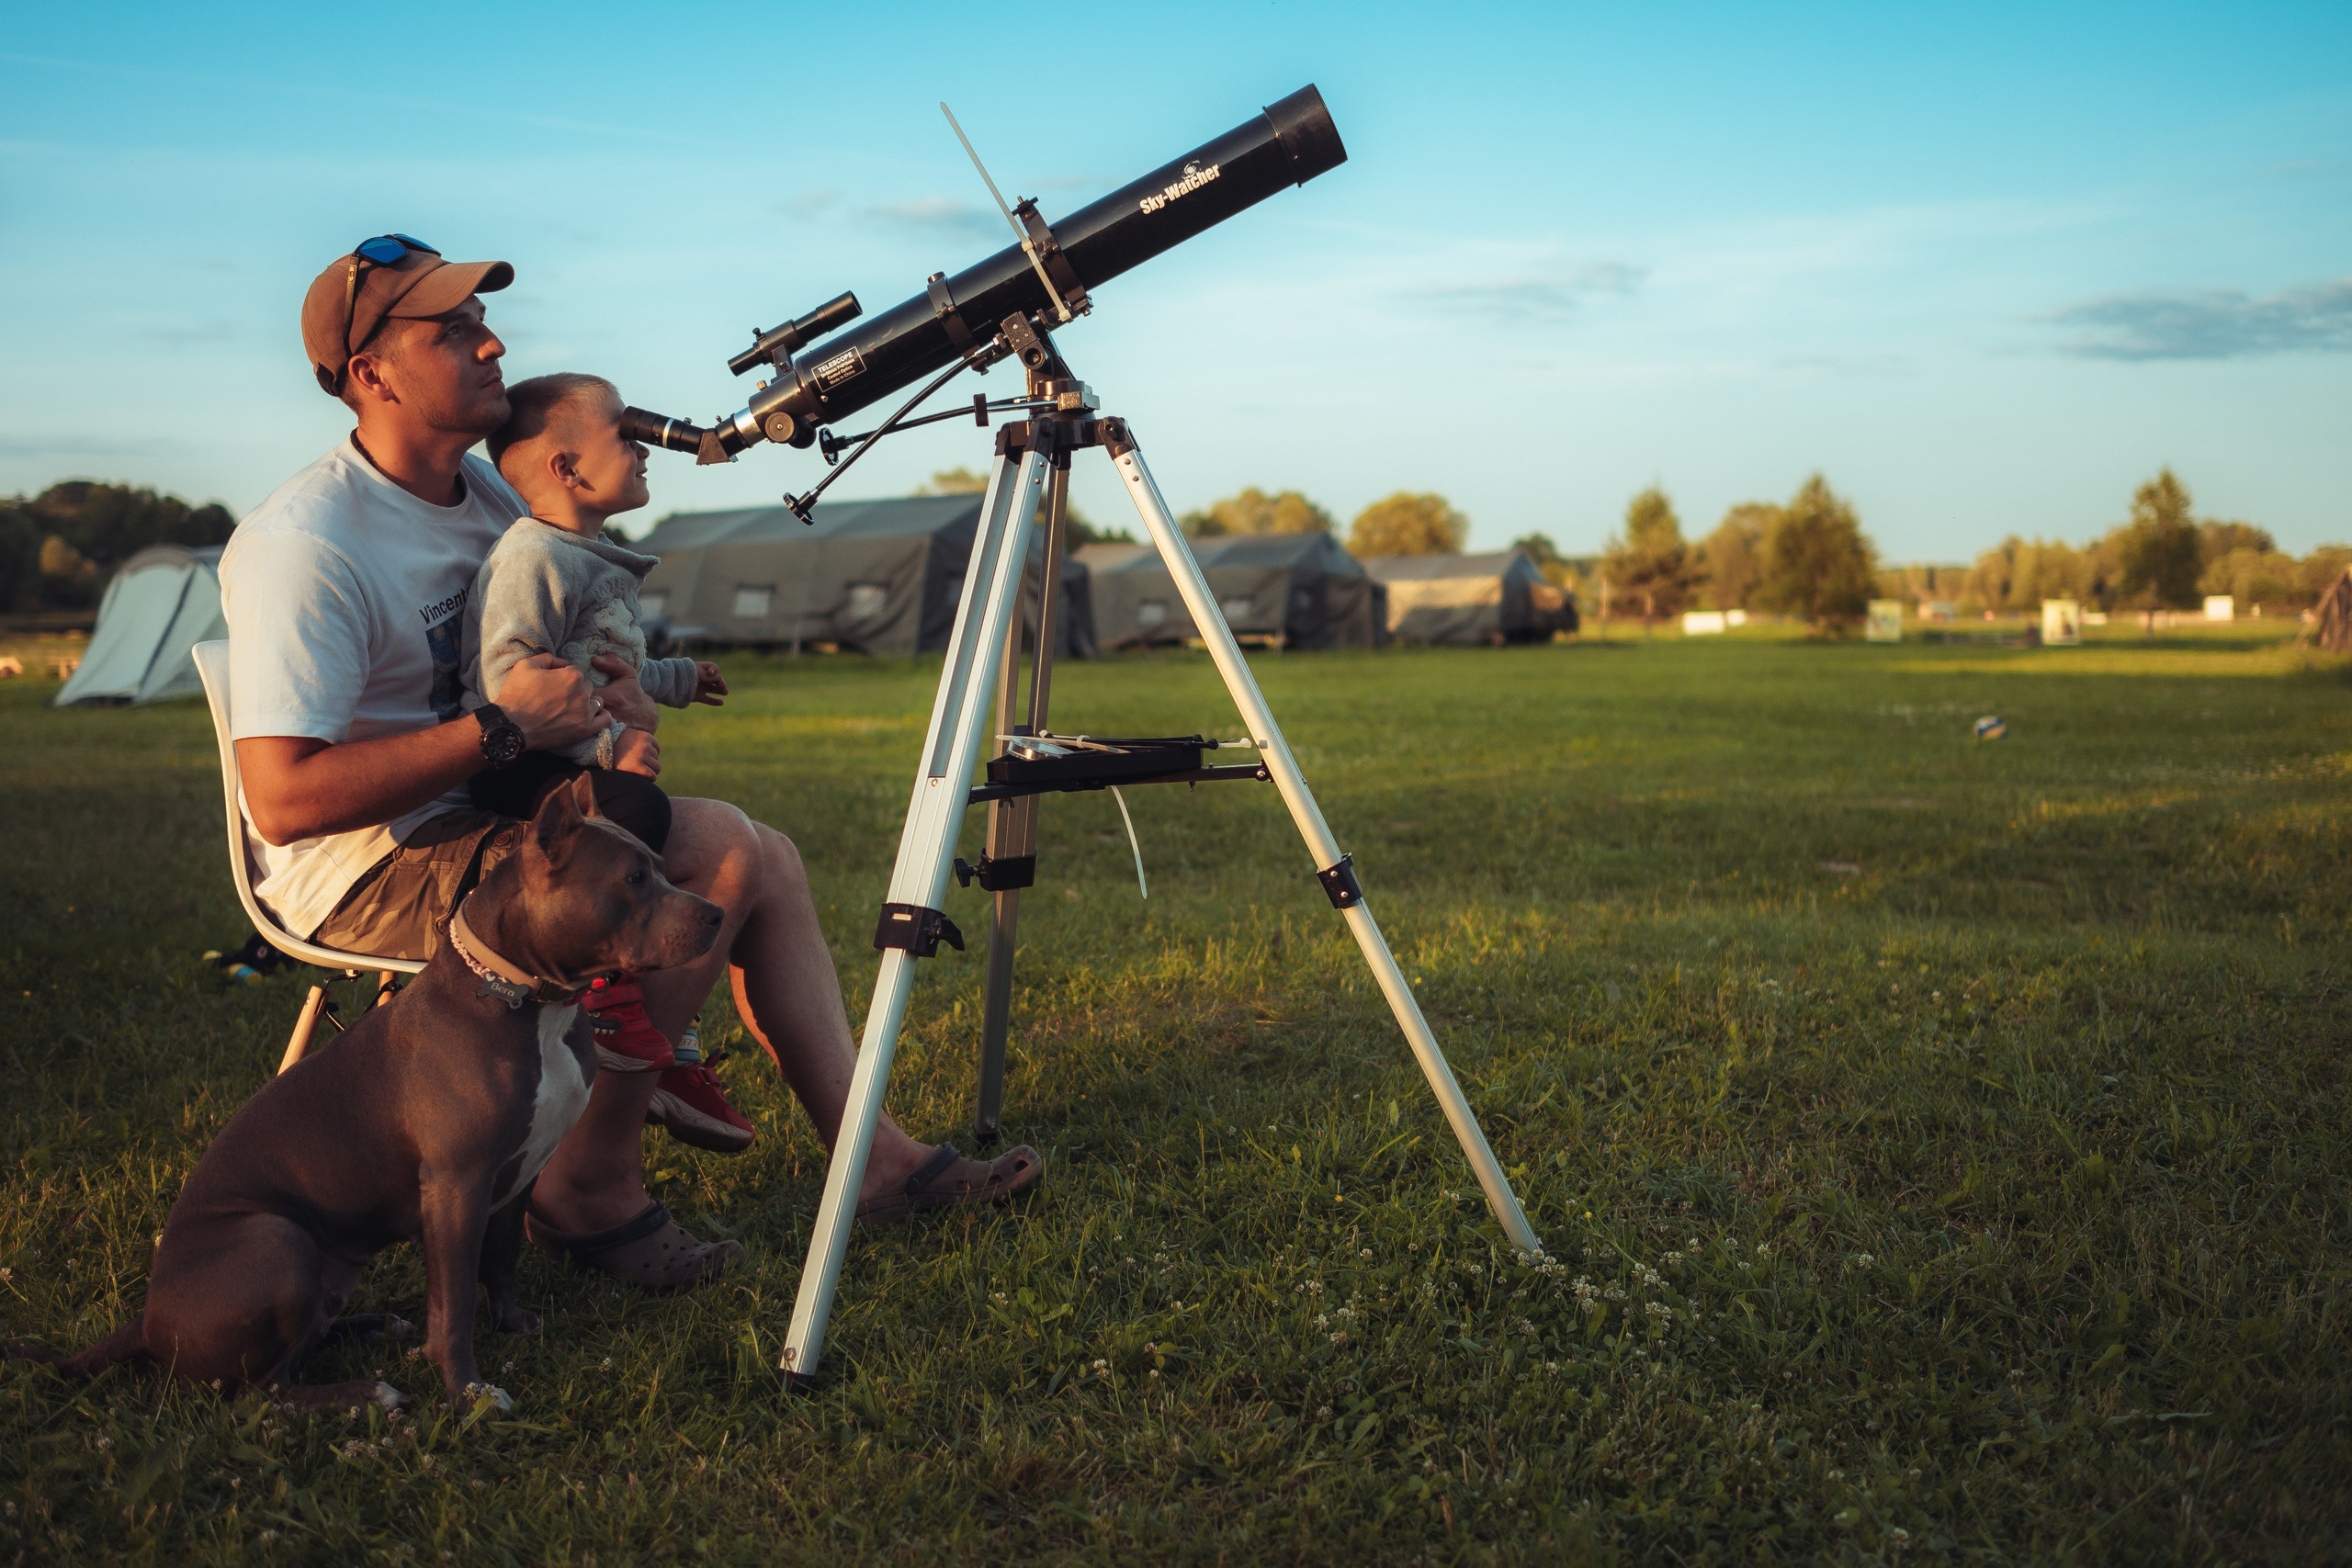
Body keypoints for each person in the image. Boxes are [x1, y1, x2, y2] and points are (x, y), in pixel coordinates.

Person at [220, 235, 1041, 1292]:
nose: (491, 342)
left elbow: (556, 654)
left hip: (497, 812)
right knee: (725, 854)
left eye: (482, 320)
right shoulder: (310, 542)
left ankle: (875, 1164)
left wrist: (612, 700)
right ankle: (585, 1187)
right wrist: (504, 731)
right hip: (369, 864)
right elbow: (284, 804)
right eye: (453, 329)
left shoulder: (488, 499)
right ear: (370, 374)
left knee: (769, 854)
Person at [460, 370, 751, 1151]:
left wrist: (678, 679)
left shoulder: (584, 553)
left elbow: (600, 664)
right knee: (637, 812)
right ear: (566, 467)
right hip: (518, 767)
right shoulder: (532, 558)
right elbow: (508, 678)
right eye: (627, 432)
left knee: (641, 817)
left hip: (565, 750)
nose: (647, 443)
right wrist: (607, 745)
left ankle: (658, 1026)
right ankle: (613, 1004)